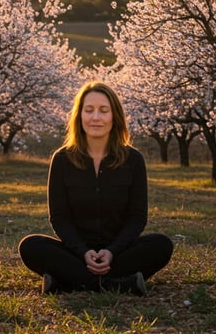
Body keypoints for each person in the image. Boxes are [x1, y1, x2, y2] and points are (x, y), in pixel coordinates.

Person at [18, 81, 173, 295]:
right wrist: (83, 252)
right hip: (75, 253)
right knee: (31, 246)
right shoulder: (62, 159)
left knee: (161, 244)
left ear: (114, 116)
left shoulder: (134, 160)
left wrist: (111, 251)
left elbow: (137, 217)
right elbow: (59, 217)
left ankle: (68, 282)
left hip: (119, 253)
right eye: (88, 110)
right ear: (79, 116)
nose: (96, 117)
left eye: (103, 110)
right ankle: (119, 284)